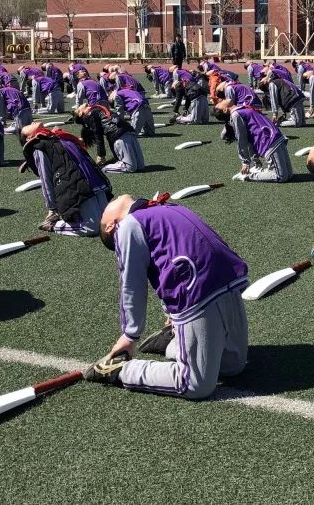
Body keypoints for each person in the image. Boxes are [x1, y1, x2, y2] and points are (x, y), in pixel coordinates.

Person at [83, 194, 248, 399]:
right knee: (195, 383)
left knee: (232, 365)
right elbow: (133, 283)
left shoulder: (156, 209)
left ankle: (176, 340)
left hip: (221, 285)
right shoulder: (133, 223)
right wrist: (129, 336)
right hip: (203, 291)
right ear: (110, 227)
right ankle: (120, 370)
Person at [19, 123, 112, 235]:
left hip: (94, 182)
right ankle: (54, 226)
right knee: (92, 227)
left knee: (108, 221)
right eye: (28, 126)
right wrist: (52, 208)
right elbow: (45, 178)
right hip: (76, 186)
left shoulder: (56, 136)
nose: (32, 122)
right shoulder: (38, 146)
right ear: (29, 137)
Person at [214, 99, 292, 183]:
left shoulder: (241, 108)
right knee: (281, 176)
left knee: (289, 175)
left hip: (277, 137)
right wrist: (245, 162)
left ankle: (264, 172)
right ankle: (247, 176)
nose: (221, 100)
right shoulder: (235, 115)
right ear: (225, 110)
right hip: (269, 142)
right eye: (220, 103)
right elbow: (242, 139)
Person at [74, 102, 145, 173]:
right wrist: (101, 155)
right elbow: (98, 135)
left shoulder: (95, 108)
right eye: (78, 109)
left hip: (128, 132)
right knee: (130, 167)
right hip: (119, 135)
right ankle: (101, 168)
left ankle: (115, 163)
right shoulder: (89, 114)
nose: (80, 105)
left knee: (140, 166)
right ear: (80, 114)